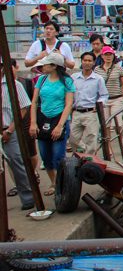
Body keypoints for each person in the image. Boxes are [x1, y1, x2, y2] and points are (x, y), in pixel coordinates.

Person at [29, 52, 75, 195]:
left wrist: (60, 125)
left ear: (54, 66)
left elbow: (68, 104)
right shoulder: (41, 80)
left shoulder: (67, 81)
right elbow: (35, 102)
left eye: (45, 64)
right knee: (45, 156)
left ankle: (63, 184)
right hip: (43, 119)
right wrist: (33, 122)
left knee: (58, 156)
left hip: (59, 119)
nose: (42, 67)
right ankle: (54, 182)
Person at [2, 61, 35, 210]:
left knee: (17, 163)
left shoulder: (14, 85)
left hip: (10, 129)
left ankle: (28, 197)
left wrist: (9, 130)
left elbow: (23, 108)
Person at [69, 52, 109, 156]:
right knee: (73, 139)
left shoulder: (98, 79)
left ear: (94, 63)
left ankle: (89, 162)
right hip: (76, 112)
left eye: (89, 61)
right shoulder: (74, 77)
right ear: (81, 62)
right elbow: (69, 93)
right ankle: (80, 156)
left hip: (91, 112)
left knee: (91, 140)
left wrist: (99, 104)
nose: (87, 63)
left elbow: (104, 95)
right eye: (85, 60)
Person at [97, 45, 123, 142]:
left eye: (110, 55)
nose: (108, 57)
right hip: (104, 99)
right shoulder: (97, 69)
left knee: (117, 123)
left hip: (117, 98)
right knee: (106, 124)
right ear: (102, 56)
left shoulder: (118, 69)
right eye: (106, 54)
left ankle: (121, 141)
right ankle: (108, 146)